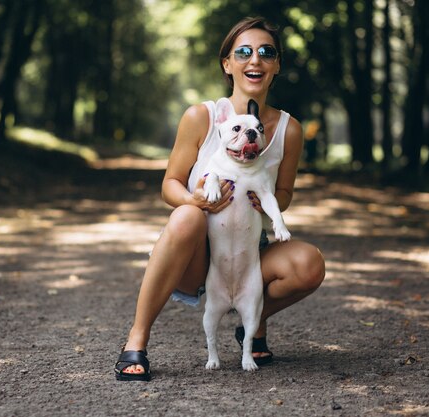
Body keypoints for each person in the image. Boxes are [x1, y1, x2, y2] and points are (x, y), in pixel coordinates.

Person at [114, 16, 325, 381]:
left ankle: (252, 322)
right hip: (197, 254)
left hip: (249, 252)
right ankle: (136, 339)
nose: (254, 59)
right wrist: (195, 199)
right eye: (243, 52)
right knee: (186, 216)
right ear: (227, 64)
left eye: (266, 52)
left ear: (277, 65)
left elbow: (285, 194)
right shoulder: (202, 117)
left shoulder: (289, 130)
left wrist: (270, 202)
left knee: (309, 264)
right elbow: (170, 185)